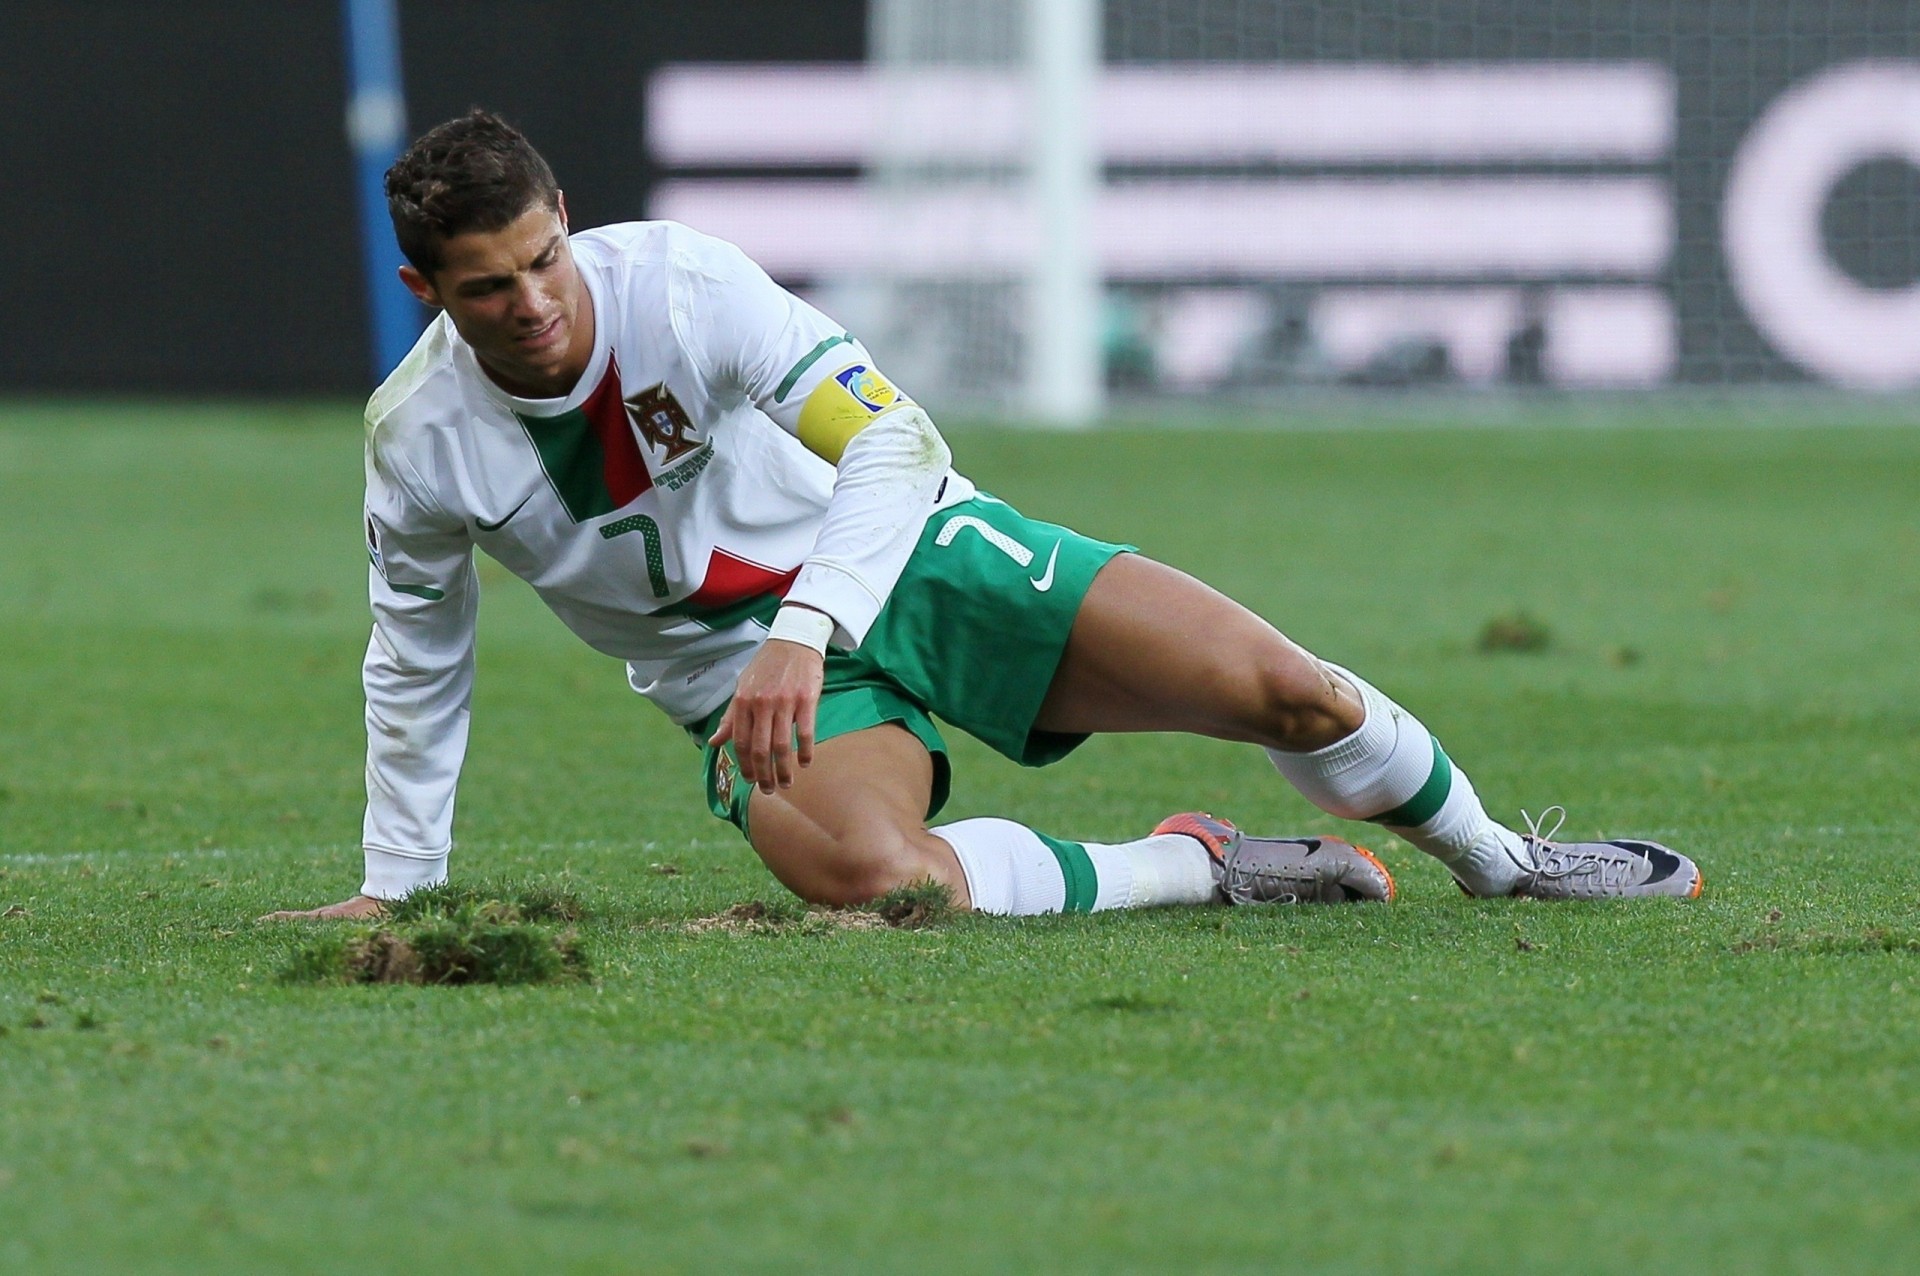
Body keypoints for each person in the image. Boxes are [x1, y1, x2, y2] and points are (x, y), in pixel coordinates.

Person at [265, 111, 1702, 924]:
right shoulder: (421, 441)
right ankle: (1197, 864)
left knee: (1284, 690)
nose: (533, 302)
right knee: (890, 890)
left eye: (542, 260)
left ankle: (1507, 862)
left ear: (567, 219)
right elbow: (417, 665)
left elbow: (891, 436)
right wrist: (401, 889)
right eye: (487, 288)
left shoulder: (684, 284)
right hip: (730, 676)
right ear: (426, 295)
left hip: (907, 557)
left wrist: (809, 626)